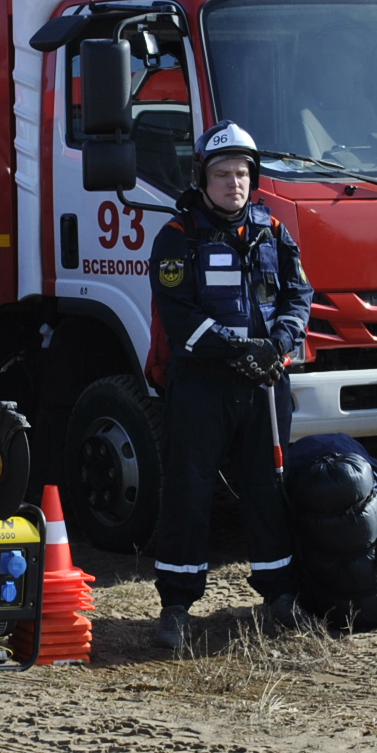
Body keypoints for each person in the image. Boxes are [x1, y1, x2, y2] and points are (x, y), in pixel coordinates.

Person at [147, 121, 311, 650]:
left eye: (242, 173)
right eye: (222, 174)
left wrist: (278, 344)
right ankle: (175, 607)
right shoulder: (177, 239)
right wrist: (239, 349)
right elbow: (180, 317)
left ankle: (280, 596)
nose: (233, 184)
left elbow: (298, 297)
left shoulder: (274, 232)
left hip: (264, 384)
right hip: (202, 385)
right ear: (202, 179)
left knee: (268, 490)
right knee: (188, 493)